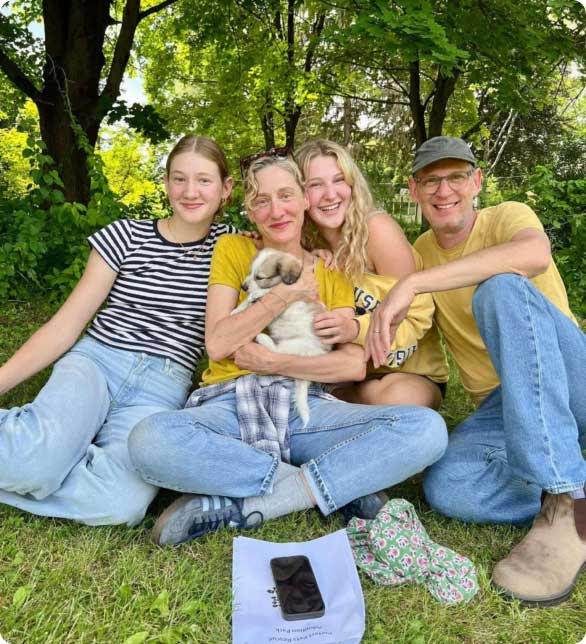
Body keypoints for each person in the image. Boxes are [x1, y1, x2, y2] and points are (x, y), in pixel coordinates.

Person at [128, 152, 448, 546]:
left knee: (427, 430)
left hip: (305, 408)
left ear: (303, 201)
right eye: (262, 200)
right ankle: (337, 483)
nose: (276, 210)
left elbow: (351, 366)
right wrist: (284, 295)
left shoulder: (330, 271)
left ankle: (256, 503)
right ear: (250, 210)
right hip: (231, 402)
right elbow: (219, 342)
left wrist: (275, 361)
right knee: (150, 440)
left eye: (285, 195)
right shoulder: (234, 249)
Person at [365, 136, 586, 607]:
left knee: (500, 288)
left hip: (568, 376)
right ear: (414, 189)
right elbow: (409, 336)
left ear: (476, 181)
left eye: (456, 177)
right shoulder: (420, 250)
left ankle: (564, 501)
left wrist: (415, 282)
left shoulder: (507, 216)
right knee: (449, 485)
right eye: (431, 180)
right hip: (502, 409)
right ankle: (574, 474)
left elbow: (532, 256)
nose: (444, 191)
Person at [0, 135, 235, 526]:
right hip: (96, 361)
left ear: (226, 189)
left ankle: (50, 458)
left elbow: (294, 247)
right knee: (33, 465)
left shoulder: (235, 249)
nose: (190, 191)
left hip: (165, 383)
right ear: (165, 183)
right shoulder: (125, 235)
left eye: (204, 180)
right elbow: (66, 325)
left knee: (120, 505)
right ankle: (41, 459)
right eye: (179, 179)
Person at [295, 139, 448, 410]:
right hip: (345, 373)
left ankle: (333, 405)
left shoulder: (376, 231)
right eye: (315, 184)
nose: (330, 194)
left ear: (352, 185)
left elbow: (415, 316)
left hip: (407, 372)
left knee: (392, 397)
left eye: (339, 180)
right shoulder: (306, 245)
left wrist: (354, 329)